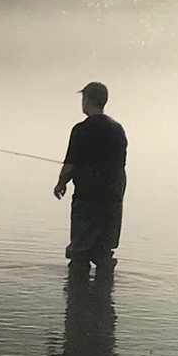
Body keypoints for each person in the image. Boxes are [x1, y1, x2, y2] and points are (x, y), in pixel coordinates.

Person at [53, 81, 126, 276]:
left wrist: (61, 183)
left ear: (87, 100)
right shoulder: (117, 129)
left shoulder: (81, 130)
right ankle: (103, 299)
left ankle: (77, 299)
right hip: (112, 198)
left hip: (87, 199)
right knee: (104, 252)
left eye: (83, 98)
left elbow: (70, 164)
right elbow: (120, 168)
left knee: (80, 253)